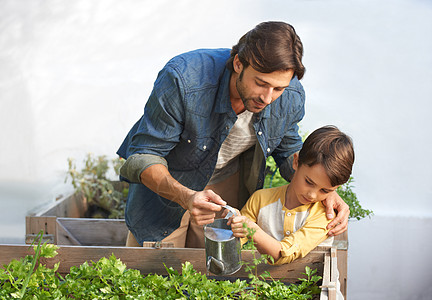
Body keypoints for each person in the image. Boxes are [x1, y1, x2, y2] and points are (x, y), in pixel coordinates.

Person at [117, 21, 350, 248]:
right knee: (154, 267)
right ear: (238, 63)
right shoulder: (184, 79)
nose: (268, 98)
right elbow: (144, 155)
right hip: (168, 179)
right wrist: (186, 197)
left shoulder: (291, 95)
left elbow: (288, 151)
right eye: (261, 83)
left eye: (278, 88)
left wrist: (324, 191)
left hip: (226, 181)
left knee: (211, 269)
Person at [228, 125, 354, 266]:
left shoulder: (325, 216)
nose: (312, 195)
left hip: (315, 286)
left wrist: (252, 229)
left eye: (325, 191)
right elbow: (235, 240)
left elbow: (283, 254)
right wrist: (231, 223)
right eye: (308, 182)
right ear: (296, 162)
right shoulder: (260, 199)